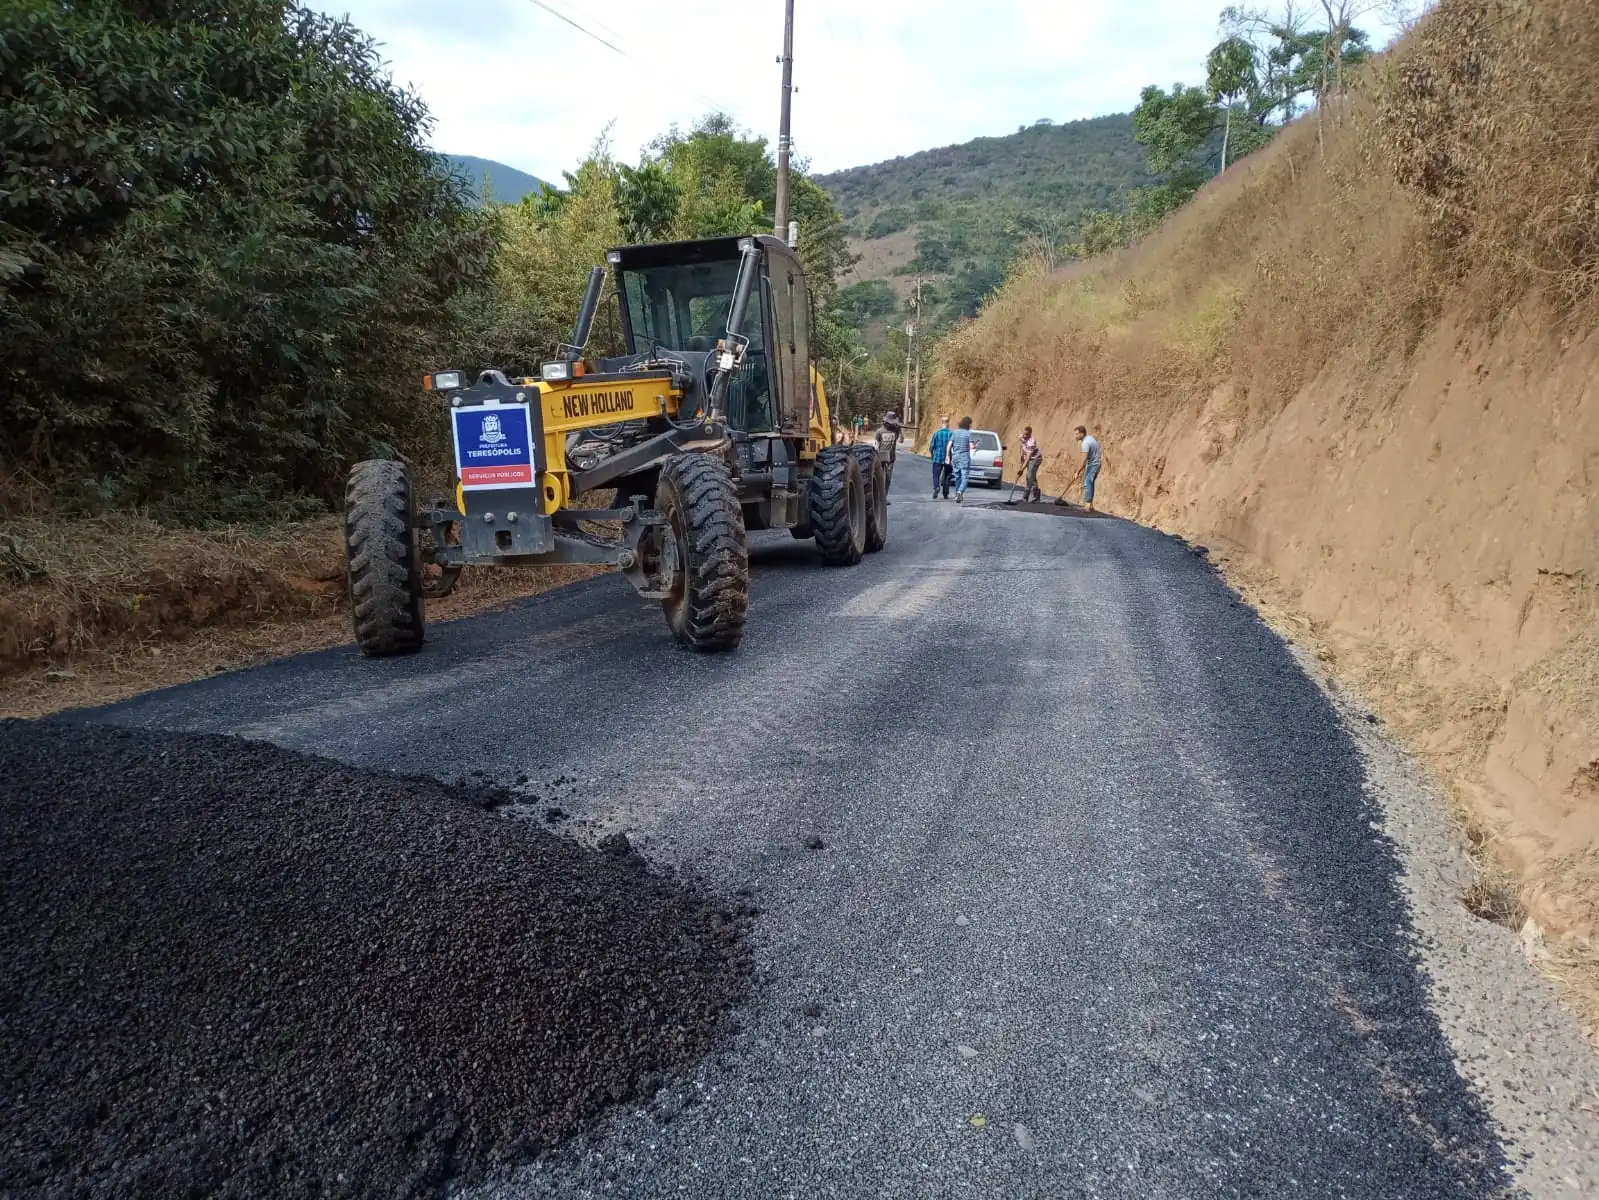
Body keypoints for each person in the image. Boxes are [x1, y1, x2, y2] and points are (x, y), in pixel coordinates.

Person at [1065, 424, 1102, 511]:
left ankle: (1087, 506)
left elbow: (1084, 459)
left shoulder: (1085, 443)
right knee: (1090, 482)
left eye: (1077, 434)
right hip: (1096, 463)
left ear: (1082, 434)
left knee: (1087, 482)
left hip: (1093, 464)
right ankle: (1090, 505)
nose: (1075, 436)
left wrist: (1077, 472)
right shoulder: (1090, 438)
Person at [948, 416, 976, 503]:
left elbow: (949, 444)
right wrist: (975, 445)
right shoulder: (968, 433)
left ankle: (957, 495)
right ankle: (960, 491)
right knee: (965, 477)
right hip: (964, 458)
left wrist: (947, 456)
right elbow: (971, 446)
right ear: (968, 424)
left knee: (957, 477)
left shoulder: (955, 432)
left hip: (955, 457)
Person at [928, 416, 952, 499]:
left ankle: (936, 487)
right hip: (948, 458)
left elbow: (931, 447)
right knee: (947, 476)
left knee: (936, 475)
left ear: (942, 423)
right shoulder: (951, 434)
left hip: (937, 457)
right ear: (948, 423)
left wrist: (932, 455)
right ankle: (945, 493)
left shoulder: (937, 433)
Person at [875, 409, 901, 486]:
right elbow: (876, 445)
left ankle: (884, 496)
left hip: (891, 458)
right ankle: (879, 495)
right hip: (881, 457)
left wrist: (900, 431)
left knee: (888, 479)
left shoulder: (895, 431)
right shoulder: (879, 431)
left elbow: (901, 440)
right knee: (879, 478)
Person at [1017, 426, 1043, 502]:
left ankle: (1025, 496)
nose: (1024, 436)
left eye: (1027, 435)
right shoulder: (1022, 436)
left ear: (1030, 434)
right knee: (1032, 476)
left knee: (1029, 476)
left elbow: (1028, 458)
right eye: (1024, 434)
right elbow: (1021, 445)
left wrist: (1022, 469)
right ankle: (1037, 496)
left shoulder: (1031, 442)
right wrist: (1021, 457)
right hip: (1028, 457)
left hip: (1036, 459)